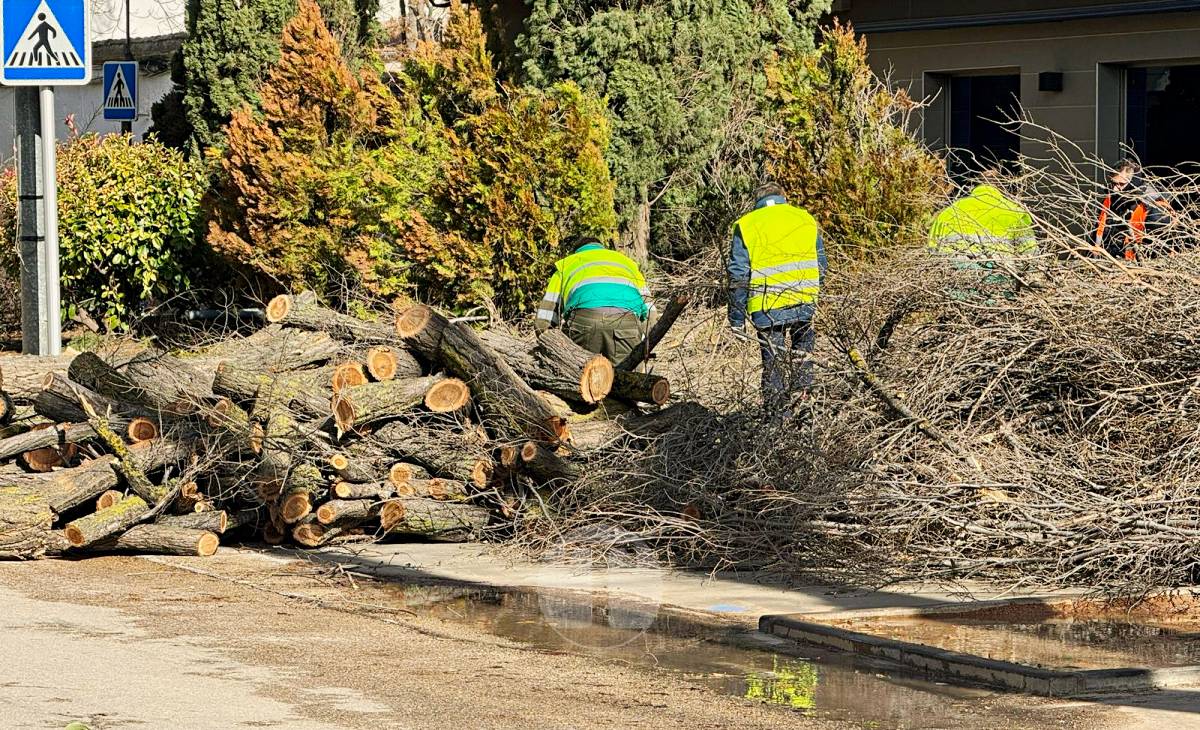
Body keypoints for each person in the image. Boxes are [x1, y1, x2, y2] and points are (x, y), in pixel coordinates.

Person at [728, 183, 825, 412]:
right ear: (783, 197)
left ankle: (775, 422)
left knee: (773, 367)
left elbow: (738, 276)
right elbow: (821, 264)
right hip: (804, 302)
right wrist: (815, 294)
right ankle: (805, 414)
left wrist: (736, 319)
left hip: (767, 308)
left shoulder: (747, 225)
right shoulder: (805, 219)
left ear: (757, 201)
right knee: (803, 360)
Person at [534, 236, 654, 362]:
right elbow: (651, 311)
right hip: (626, 323)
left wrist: (553, 348)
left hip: (584, 323)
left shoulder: (566, 264)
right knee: (630, 377)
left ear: (576, 252)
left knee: (583, 376)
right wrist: (642, 340)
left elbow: (544, 321)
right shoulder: (627, 263)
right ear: (601, 248)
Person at [928, 182, 1037, 296]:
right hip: (999, 291)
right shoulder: (1016, 212)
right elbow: (1030, 256)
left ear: (973, 187)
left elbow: (931, 256)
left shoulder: (947, 213)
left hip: (954, 290)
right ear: (1002, 188)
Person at [1095, 158, 1174, 260]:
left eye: (1121, 184)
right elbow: (1096, 235)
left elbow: (1160, 254)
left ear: (1133, 183)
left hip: (1138, 270)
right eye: (1113, 183)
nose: (1115, 189)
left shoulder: (1154, 206)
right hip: (1106, 267)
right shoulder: (1109, 201)